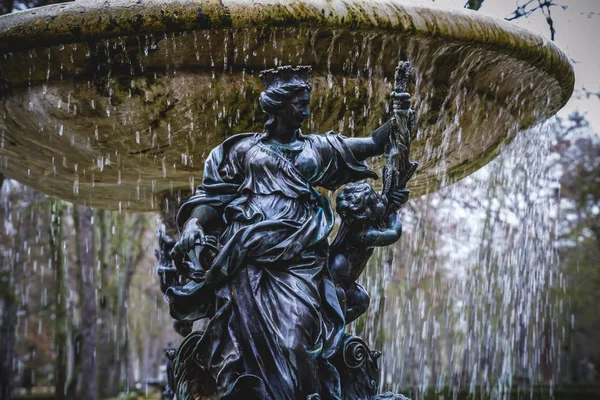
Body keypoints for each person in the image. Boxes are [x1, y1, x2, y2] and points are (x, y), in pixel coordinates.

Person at [166, 65, 411, 400]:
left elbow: (372, 143)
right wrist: (194, 223)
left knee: (296, 342)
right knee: (243, 348)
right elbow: (212, 197)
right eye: (300, 103)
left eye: (307, 103)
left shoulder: (318, 148)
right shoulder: (242, 151)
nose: (306, 111)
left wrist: (400, 116)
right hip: (249, 261)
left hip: (301, 259)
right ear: (279, 105)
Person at [329, 182, 409, 324]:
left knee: (361, 300)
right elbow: (394, 233)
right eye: (376, 200)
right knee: (336, 314)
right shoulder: (363, 234)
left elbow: (381, 211)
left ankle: (331, 330)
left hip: (341, 278)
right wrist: (394, 211)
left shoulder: (358, 225)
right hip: (336, 280)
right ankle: (330, 332)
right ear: (366, 212)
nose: (380, 200)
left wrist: (392, 198)